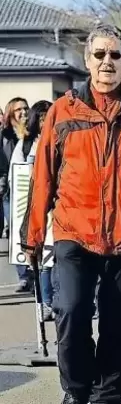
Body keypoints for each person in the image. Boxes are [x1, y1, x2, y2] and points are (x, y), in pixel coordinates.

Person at [21, 24, 121, 404]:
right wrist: (33, 234)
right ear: (87, 61)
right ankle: (77, 390)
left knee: (119, 326)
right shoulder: (63, 111)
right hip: (74, 232)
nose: (107, 61)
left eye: (115, 54)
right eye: (100, 54)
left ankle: (108, 395)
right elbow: (43, 178)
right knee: (70, 313)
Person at [10, 100, 54, 318]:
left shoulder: (61, 139)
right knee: (43, 257)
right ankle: (45, 302)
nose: (46, 121)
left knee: (59, 257)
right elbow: (17, 178)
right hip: (36, 207)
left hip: (58, 207)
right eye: (43, 117)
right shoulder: (26, 144)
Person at [1, 96, 31, 292]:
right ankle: (24, 276)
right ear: (11, 113)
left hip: (32, 188)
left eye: (25, 108)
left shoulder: (32, 133)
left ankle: (38, 273)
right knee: (16, 231)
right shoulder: (4, 137)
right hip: (11, 191)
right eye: (19, 109)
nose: (23, 112)